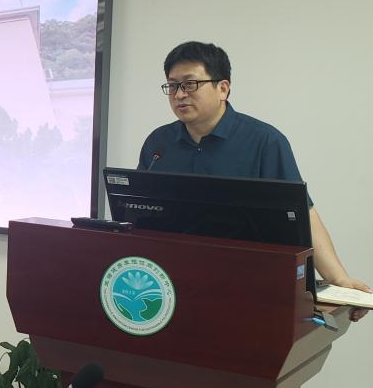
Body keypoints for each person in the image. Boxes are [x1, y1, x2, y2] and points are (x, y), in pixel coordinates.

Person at [139, 41, 370, 320]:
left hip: (247, 288)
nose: (179, 94)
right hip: (169, 285)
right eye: (172, 85)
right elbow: (139, 212)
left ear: (223, 88)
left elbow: (303, 214)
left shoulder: (264, 141)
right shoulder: (159, 143)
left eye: (190, 84)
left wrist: (339, 279)